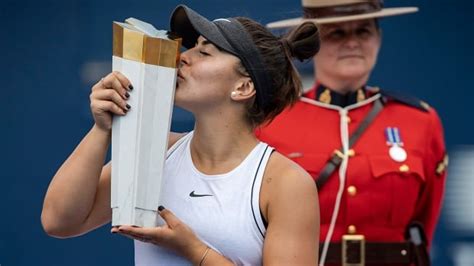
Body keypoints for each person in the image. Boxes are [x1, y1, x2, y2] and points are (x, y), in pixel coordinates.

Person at [41, 4, 321, 266]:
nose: (182, 57)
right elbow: (59, 222)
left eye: (204, 52)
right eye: (192, 48)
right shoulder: (156, 148)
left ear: (244, 87)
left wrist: (194, 251)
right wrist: (102, 128)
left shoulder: (286, 183)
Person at [257, 0, 447, 265]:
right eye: (336, 33)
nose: (352, 42)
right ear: (312, 43)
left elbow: (423, 224)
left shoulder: (420, 121)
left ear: (378, 39)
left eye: (363, 31)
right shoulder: (271, 120)